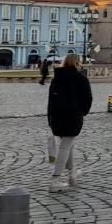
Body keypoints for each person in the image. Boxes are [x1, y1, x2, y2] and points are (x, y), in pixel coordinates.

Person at [46, 53, 92, 191]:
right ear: (77, 63)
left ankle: (72, 174)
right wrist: (82, 112)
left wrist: (50, 117)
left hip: (57, 116)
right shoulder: (81, 78)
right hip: (72, 116)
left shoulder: (57, 78)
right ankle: (55, 179)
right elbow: (88, 98)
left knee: (68, 145)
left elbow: (51, 100)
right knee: (65, 147)